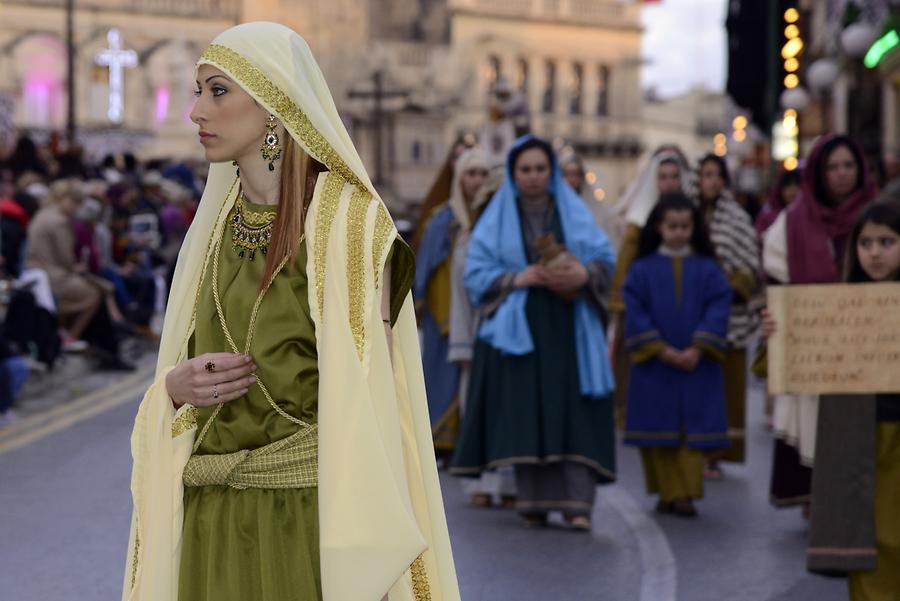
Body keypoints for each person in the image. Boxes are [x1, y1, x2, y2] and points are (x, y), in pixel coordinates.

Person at [121, 22, 460, 601]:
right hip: (210, 520)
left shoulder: (350, 226)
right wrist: (173, 390)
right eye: (197, 90)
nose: (195, 111)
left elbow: (371, 398)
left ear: (276, 102)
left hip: (309, 524)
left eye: (218, 90)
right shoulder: (210, 230)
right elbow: (179, 366)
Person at [451, 135, 616, 531]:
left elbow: (603, 257)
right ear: (513, 173)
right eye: (525, 169)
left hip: (569, 324)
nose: (533, 177)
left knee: (572, 413)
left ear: (551, 172)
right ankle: (533, 501)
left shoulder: (573, 212)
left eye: (540, 169)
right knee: (530, 414)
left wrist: (583, 273)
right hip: (521, 330)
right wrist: (516, 277)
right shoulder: (497, 217)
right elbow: (476, 271)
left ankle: (578, 505)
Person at [762, 199, 900, 598]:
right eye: (866, 242)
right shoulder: (836, 305)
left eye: (887, 242)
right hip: (858, 440)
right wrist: (777, 332)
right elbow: (787, 363)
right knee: (866, 538)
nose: (874, 252)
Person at [762, 134, 877, 510]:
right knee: (815, 419)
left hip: (870, 345)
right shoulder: (794, 219)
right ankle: (818, 496)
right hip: (814, 344)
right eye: (832, 167)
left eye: (848, 165)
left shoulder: (880, 213)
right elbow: (776, 275)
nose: (842, 174)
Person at [623, 193, 731, 517]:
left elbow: (719, 305)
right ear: (659, 227)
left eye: (685, 226)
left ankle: (684, 494)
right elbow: (635, 311)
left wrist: (699, 346)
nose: (679, 232)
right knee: (659, 434)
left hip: (697, 364)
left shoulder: (709, 269)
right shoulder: (641, 270)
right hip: (657, 365)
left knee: (689, 432)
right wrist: (661, 348)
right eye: (672, 226)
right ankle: (667, 492)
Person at [446, 162, 516, 507]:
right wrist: (462, 345)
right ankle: (484, 480)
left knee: (510, 410)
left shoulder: (518, 238)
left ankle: (511, 483)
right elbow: (460, 292)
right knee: (481, 406)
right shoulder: (470, 238)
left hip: (514, 337)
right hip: (478, 334)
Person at [608, 146, 691, 428]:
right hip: (646, 310)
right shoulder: (638, 223)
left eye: (674, 176)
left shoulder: (691, 221)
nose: (669, 183)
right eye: (663, 177)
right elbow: (625, 271)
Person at [414, 148, 490, 455]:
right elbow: (427, 267)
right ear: (459, 179)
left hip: (480, 309)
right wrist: (436, 311)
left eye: (484, 174)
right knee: (443, 377)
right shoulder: (443, 218)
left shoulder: (493, 217)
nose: (478, 180)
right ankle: (443, 443)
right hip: (443, 311)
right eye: (471, 174)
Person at [695, 154, 760, 478]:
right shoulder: (686, 214)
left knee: (725, 388)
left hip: (727, 317)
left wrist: (726, 284)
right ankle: (691, 449)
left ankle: (717, 453)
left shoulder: (736, 218)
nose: (712, 181)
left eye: (717, 175)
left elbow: (749, 263)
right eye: (706, 174)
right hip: (689, 316)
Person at [25, 179, 132, 370]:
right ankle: (73, 337)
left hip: (40, 273)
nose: (76, 208)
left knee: (98, 288)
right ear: (65, 199)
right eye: (75, 203)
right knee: (94, 294)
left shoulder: (44, 214)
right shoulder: (59, 220)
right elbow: (65, 257)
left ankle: (88, 341)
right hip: (53, 275)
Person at [559, 152, 620, 247]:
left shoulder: (592, 206)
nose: (571, 179)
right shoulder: (555, 205)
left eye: (575, 174)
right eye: (567, 174)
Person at [756, 168, 802, 238]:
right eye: (788, 186)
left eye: (797, 185)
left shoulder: (808, 215)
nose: (793, 190)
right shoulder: (768, 215)